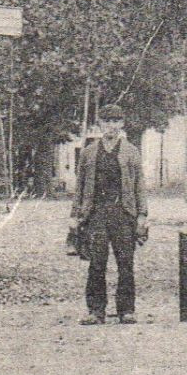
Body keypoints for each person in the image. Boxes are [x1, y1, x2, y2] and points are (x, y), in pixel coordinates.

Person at [72, 104, 148, 325]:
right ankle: (96, 310)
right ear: (99, 125)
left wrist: (142, 214)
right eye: (107, 121)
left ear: (122, 124)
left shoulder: (131, 151)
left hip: (124, 213)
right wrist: (75, 216)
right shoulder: (88, 153)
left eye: (115, 121)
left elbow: (139, 186)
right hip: (96, 213)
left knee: (125, 261)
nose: (111, 126)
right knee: (97, 261)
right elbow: (80, 187)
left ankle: (126, 310)